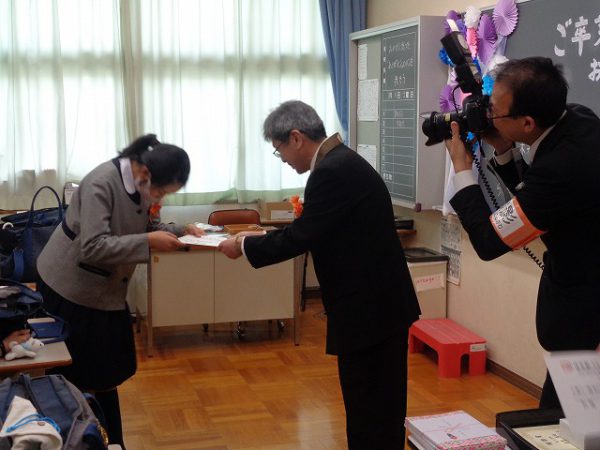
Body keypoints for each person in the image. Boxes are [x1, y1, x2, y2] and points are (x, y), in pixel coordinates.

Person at [218, 100, 420, 449]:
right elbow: (317, 228)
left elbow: (302, 236)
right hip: (377, 308)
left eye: (279, 149)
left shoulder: (331, 172)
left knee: (371, 412)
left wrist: (244, 246)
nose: (281, 158)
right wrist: (258, 237)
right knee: (375, 409)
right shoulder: (341, 162)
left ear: (296, 138)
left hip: (370, 313)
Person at [445, 57, 600, 409]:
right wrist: (503, 148)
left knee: (561, 424)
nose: (488, 116)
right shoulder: (577, 120)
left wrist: (462, 170)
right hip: (581, 308)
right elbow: (537, 197)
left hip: (586, 320)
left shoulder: (562, 167)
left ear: (527, 122)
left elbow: (488, 242)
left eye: (495, 112)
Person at [36, 134, 203, 448]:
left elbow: (141, 227)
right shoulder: (101, 183)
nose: (159, 199)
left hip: (105, 290)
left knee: (107, 371)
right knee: (79, 375)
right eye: (161, 192)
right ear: (145, 173)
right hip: (70, 288)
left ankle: (111, 441)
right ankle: (77, 439)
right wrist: (148, 243)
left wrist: (181, 230)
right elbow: (93, 247)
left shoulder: (140, 183)